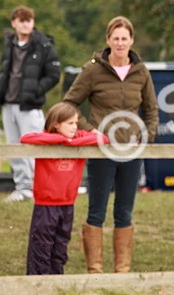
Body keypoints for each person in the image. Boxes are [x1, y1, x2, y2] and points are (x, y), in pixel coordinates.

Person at [63, 16, 158, 273]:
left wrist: (146, 134)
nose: (119, 43)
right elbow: (69, 103)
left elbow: (151, 109)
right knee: (97, 210)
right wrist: (88, 129)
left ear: (131, 41)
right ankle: (95, 270)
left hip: (131, 152)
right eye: (115, 38)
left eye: (124, 38)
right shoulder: (93, 70)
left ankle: (122, 271)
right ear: (108, 40)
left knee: (124, 211)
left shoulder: (142, 72)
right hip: (100, 151)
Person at [19, 102, 106, 275]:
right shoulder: (45, 138)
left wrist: (72, 142)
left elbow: (103, 138)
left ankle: (57, 278)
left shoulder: (78, 137)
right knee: (42, 245)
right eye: (70, 123)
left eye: (76, 123)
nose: (75, 127)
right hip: (45, 205)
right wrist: (62, 140)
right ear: (57, 123)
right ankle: (37, 281)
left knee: (60, 245)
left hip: (67, 203)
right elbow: (26, 138)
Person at [0, 6, 62, 202]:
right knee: (13, 147)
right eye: (21, 20)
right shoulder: (9, 44)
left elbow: (54, 74)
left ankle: (37, 187)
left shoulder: (44, 45)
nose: (26, 23)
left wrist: (35, 91)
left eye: (29, 20)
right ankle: (22, 187)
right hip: (8, 103)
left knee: (34, 148)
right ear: (13, 23)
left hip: (30, 106)